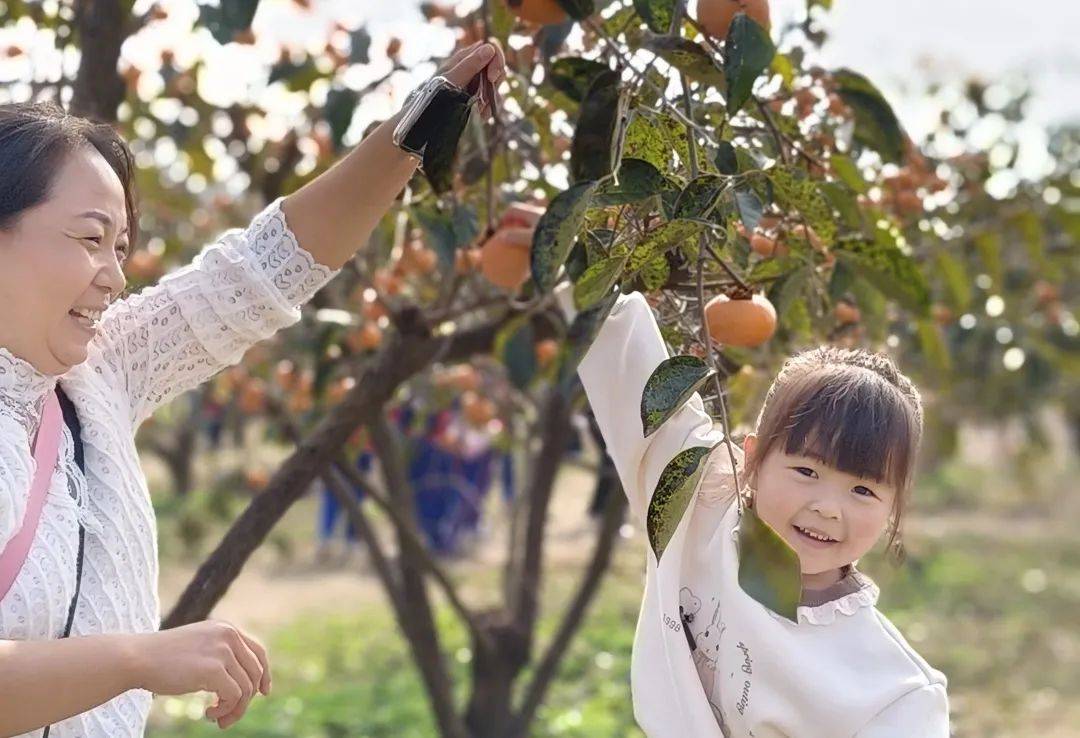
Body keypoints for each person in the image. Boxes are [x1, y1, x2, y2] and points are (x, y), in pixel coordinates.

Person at [0, 41, 506, 738]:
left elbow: (262, 272)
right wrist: (136, 659)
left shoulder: (94, 382)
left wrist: (425, 119)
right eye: (91, 239)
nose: (115, 275)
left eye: (121, 246)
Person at [554, 283, 950, 737]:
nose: (826, 508)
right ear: (753, 460)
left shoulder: (892, 696)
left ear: (894, 508)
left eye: (862, 490)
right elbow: (626, 361)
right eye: (806, 471)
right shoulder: (697, 504)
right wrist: (566, 256)